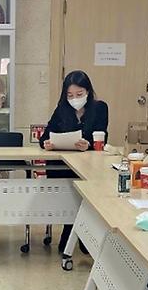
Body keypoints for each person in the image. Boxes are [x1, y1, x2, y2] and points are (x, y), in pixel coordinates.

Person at [39, 70, 109, 251]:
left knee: (87, 192)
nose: (75, 99)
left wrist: (89, 144)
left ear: (88, 92)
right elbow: (45, 136)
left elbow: (102, 136)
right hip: (63, 166)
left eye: (79, 94)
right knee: (68, 193)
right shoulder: (62, 109)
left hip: (88, 165)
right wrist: (47, 143)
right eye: (70, 95)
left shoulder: (100, 108)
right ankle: (71, 231)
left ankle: (81, 235)